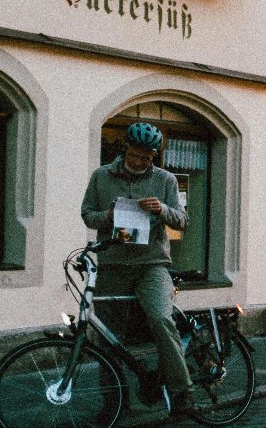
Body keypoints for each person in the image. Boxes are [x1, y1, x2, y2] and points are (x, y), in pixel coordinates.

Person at [81, 121, 200, 413]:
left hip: (151, 264)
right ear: (126, 149)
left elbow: (182, 220)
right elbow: (87, 214)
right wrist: (107, 216)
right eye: (136, 155)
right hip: (113, 264)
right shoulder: (101, 176)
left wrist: (162, 209)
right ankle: (114, 404)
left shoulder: (165, 180)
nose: (140, 162)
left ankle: (183, 394)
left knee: (161, 320)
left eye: (147, 157)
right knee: (109, 336)